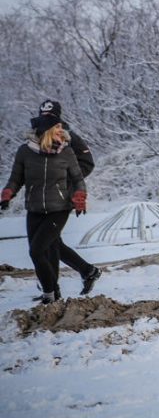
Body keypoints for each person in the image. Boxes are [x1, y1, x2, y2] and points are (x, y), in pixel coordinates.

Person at [1, 114, 88, 303]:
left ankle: (49, 294)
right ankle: (54, 292)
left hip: (59, 208)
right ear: (46, 131)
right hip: (34, 208)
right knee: (39, 251)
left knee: (37, 250)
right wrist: (8, 192)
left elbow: (78, 179)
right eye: (57, 127)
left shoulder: (66, 151)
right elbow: (16, 178)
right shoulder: (25, 151)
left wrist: (79, 197)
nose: (61, 130)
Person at [35, 100, 102, 296]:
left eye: (50, 116)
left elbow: (87, 164)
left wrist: (66, 177)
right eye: (43, 115)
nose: (45, 119)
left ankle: (54, 286)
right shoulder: (37, 140)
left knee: (48, 242)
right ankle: (84, 272)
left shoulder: (70, 137)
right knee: (50, 241)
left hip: (62, 196)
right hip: (40, 199)